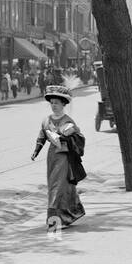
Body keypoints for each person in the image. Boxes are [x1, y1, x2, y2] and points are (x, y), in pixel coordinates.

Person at [31, 85, 87, 232]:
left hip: (64, 157)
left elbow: (78, 138)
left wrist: (66, 137)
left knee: (58, 187)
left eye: (57, 103)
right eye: (52, 103)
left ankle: (54, 222)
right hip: (52, 157)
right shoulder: (46, 120)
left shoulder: (68, 121)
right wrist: (36, 151)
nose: (54, 106)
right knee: (55, 187)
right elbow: (41, 136)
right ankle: (69, 214)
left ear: (63, 104)